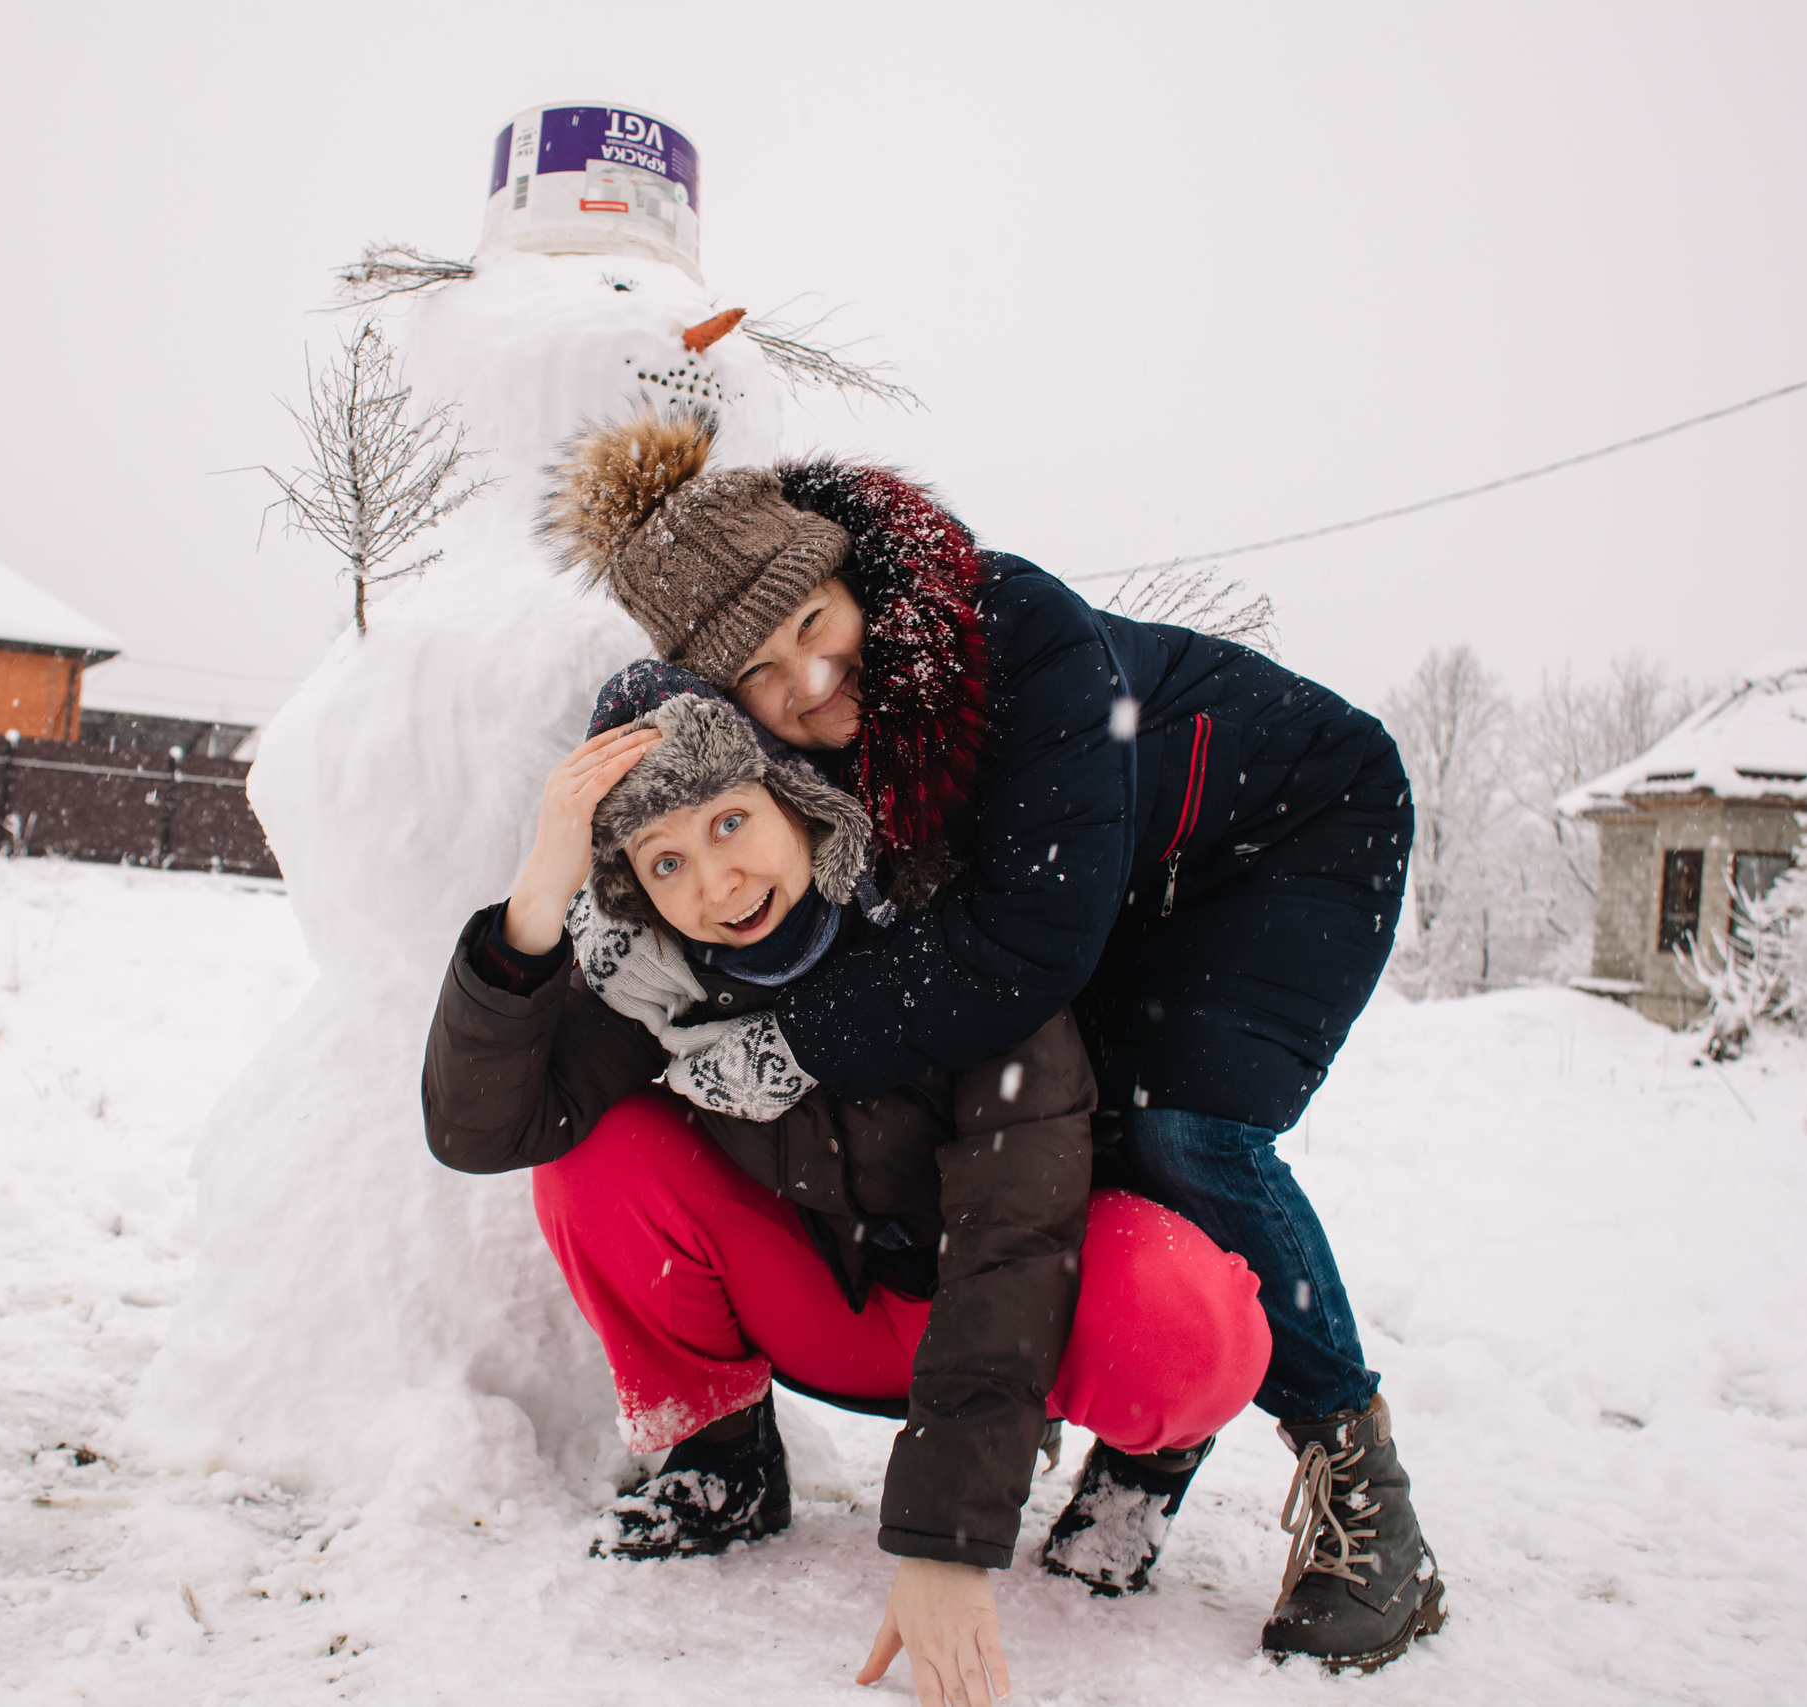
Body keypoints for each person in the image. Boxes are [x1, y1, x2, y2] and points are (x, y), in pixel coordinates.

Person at [540, 411, 1446, 1675]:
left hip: (1281, 834)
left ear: (848, 573)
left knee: (1177, 1131)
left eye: (813, 626)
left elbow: (1028, 945)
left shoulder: (1017, 635)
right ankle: (1116, 1441)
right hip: (1110, 878)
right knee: (1073, 1117)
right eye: (757, 672)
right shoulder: (809, 735)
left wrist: (794, 1041)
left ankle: (1359, 1486)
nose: (805, 682)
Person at [422, 666, 1271, 1707]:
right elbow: (483, 1129)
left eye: (731, 821)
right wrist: (535, 900)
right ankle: (722, 1461)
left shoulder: (954, 935)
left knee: (1196, 1314)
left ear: (792, 796)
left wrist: (948, 1543)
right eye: (666, 860)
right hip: (837, 1302)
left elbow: (1013, 1236)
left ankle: (1140, 1481)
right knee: (593, 1157)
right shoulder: (654, 984)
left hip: (1017, 1310)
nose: (716, 884)